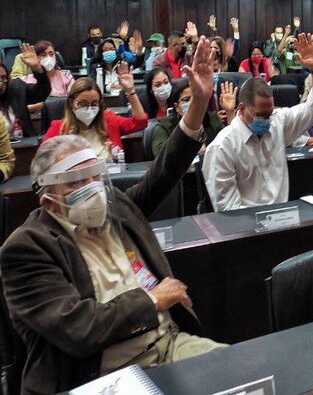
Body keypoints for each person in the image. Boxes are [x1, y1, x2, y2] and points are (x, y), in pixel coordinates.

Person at [1, 37, 228, 394]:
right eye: (76, 181)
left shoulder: (115, 207)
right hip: (102, 376)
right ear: (47, 200)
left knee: (238, 372)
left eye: (95, 176)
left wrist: (199, 102)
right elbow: (80, 329)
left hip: (167, 345)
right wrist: (154, 299)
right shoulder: (26, 249)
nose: (91, 187)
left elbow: (164, 172)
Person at [203, 33, 313, 210]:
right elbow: (228, 210)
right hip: (246, 229)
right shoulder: (222, 147)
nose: (267, 120)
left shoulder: (277, 122)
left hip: (283, 220)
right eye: (261, 115)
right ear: (242, 108)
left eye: (270, 113)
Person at [43, 65, 148, 161]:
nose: (89, 108)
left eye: (94, 104)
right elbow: (43, 158)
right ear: (71, 103)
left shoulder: (109, 120)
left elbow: (140, 122)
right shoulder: (59, 128)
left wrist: (130, 90)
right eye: (82, 104)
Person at [152, 77, 229, 157]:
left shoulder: (212, 119)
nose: (193, 103)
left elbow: (230, 145)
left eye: (196, 98)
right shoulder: (164, 126)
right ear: (177, 107)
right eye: (186, 99)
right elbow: (160, 156)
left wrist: (229, 112)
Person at [0, 45, 50, 137]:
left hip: (23, 144)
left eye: (4, 78)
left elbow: (42, 92)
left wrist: (37, 69)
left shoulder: (16, 87)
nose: (1, 83)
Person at [19, 41, 75, 115]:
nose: (48, 58)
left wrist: (45, 104)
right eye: (43, 55)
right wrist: (42, 105)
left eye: (51, 54)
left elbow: (74, 100)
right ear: (36, 58)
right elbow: (20, 108)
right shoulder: (26, 80)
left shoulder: (66, 76)